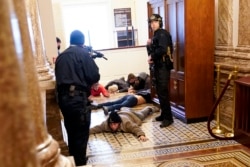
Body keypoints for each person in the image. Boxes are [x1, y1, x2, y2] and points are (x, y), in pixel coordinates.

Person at [55, 30, 100, 166]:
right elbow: (93, 75)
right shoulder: (83, 54)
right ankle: (80, 163)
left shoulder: (62, 56)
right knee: (81, 133)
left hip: (63, 100)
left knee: (71, 131)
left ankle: (74, 160)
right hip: (78, 99)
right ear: (82, 41)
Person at [146, 14, 174, 128]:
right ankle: (164, 114)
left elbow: (162, 50)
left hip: (163, 67)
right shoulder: (156, 34)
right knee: (160, 92)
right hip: (158, 66)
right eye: (151, 23)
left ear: (160, 22)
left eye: (155, 22)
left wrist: (151, 56)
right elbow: (154, 49)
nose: (153, 24)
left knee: (163, 92)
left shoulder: (162, 33)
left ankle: (168, 118)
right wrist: (148, 46)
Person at [90, 106, 158, 142]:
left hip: (132, 116)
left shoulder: (126, 123)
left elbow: (135, 128)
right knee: (124, 109)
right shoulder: (106, 124)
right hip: (121, 113)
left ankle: (151, 108)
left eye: (115, 124)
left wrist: (141, 135)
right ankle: (124, 108)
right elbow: (96, 128)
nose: (113, 126)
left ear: (119, 123)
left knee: (143, 114)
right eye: (111, 124)